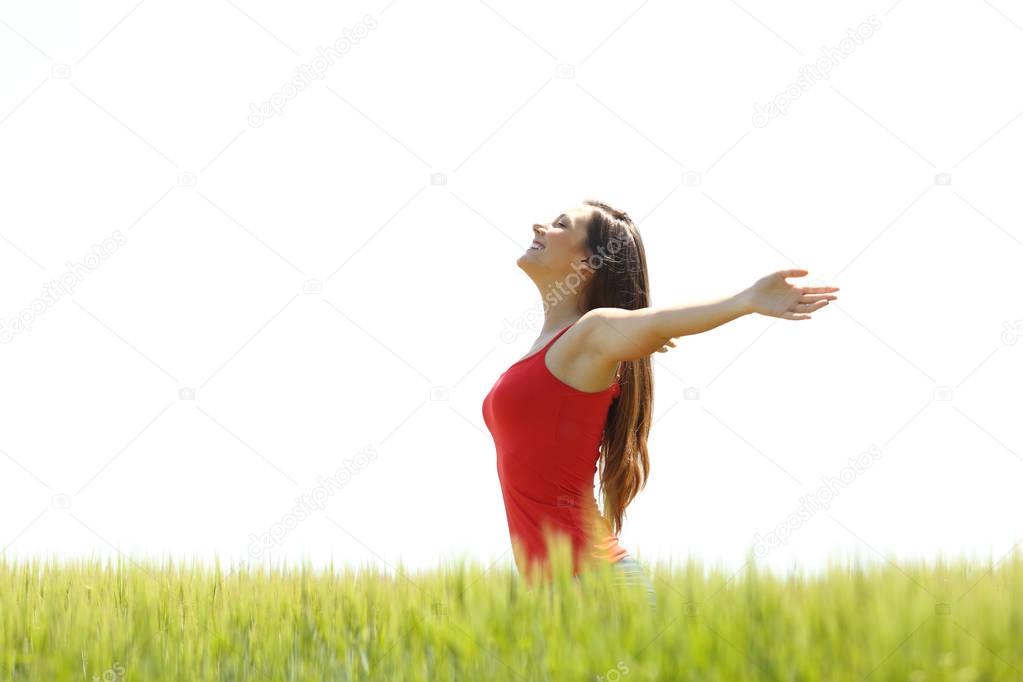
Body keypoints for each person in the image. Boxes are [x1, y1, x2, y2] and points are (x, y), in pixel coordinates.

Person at [481, 199, 839, 608]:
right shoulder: (561, 345)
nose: (539, 225)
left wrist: (746, 300)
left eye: (561, 225)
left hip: (594, 587)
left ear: (587, 264)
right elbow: (644, 330)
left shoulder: (589, 335)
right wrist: (633, 337)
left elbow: (655, 322)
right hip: (558, 591)